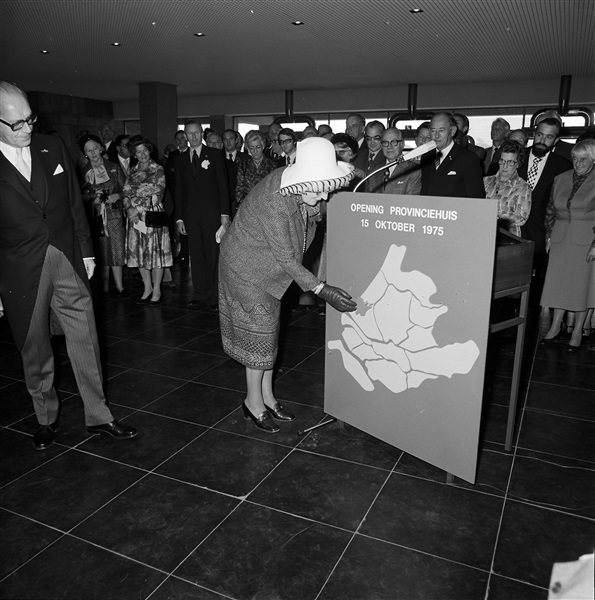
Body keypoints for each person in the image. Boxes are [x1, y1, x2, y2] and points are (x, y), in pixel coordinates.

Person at [0, 81, 137, 449]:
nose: (28, 128)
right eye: (17, 124)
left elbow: (76, 203)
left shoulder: (53, 145)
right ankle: (46, 418)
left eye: (30, 119)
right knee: (35, 348)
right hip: (19, 268)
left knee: (86, 339)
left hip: (67, 257)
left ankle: (99, 415)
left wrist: (87, 252)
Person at [218, 137, 357, 433]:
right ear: (302, 179)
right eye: (317, 189)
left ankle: (268, 396)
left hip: (268, 266)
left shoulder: (301, 188)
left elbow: (305, 230)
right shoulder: (275, 202)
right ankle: (252, 402)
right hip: (246, 267)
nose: (322, 196)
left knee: (270, 334)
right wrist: (321, 289)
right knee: (259, 336)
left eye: (326, 188)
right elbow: (286, 257)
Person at [539, 139, 595, 351]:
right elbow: (551, 211)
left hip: (586, 239)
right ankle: (554, 328)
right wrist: (549, 237)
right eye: (574, 158)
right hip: (561, 238)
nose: (578, 163)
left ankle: (578, 331)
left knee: (581, 288)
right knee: (558, 286)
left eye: (583, 159)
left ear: (593, 159)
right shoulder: (560, 178)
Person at [174, 120, 230, 309]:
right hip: (191, 216)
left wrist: (225, 215)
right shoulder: (181, 159)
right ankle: (199, 294)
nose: (194, 136)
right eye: (190, 134)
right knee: (195, 255)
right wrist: (179, 217)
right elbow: (179, 190)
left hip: (212, 214)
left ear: (202, 133)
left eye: (197, 133)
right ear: (185, 136)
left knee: (213, 255)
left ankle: (214, 297)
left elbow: (223, 186)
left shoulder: (214, 155)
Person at [518, 117, 572, 299]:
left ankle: (530, 327)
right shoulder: (516, 157)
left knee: (533, 291)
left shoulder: (563, 166)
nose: (542, 140)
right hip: (509, 232)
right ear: (534, 134)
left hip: (539, 236)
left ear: (556, 141)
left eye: (549, 137)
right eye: (540, 135)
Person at [122, 137, 173, 305]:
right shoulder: (132, 170)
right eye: (138, 151)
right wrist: (130, 209)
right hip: (135, 219)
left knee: (155, 253)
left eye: (145, 150)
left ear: (149, 150)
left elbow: (158, 194)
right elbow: (126, 192)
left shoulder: (157, 169)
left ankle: (157, 288)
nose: (142, 154)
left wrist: (138, 208)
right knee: (139, 253)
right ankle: (147, 287)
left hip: (151, 217)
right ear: (134, 154)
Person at [79, 133, 128, 298]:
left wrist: (118, 195)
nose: (93, 153)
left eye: (95, 149)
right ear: (85, 153)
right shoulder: (83, 172)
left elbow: (126, 189)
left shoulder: (113, 166)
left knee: (117, 249)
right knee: (101, 251)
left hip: (114, 214)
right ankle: (104, 287)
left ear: (100, 148)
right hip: (96, 217)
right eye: (88, 150)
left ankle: (120, 287)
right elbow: (80, 196)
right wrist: (94, 196)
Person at [421, 112, 485, 198]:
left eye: (441, 130)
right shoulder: (426, 157)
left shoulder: (468, 159)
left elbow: (476, 198)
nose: (436, 135)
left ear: (453, 131)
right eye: (433, 131)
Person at [483, 140, 531, 237]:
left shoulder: (523, 187)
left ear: (518, 164)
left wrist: (492, 212)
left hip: (508, 238)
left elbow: (521, 219)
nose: (505, 166)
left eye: (510, 162)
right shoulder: (486, 181)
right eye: (502, 161)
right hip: (484, 232)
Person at [368, 127, 421, 195]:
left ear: (402, 144)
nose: (389, 146)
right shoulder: (375, 170)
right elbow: (368, 199)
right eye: (385, 143)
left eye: (394, 142)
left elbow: (411, 202)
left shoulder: (414, 170)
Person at [234, 129, 277, 212]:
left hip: (267, 209)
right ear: (248, 149)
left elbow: (274, 190)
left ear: (263, 146)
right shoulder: (243, 165)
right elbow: (239, 190)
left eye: (258, 147)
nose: (255, 151)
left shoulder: (272, 165)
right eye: (252, 148)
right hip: (247, 209)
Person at [354, 120, 386, 191]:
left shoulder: (388, 156)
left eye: (376, 138)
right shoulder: (357, 156)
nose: (372, 142)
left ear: (384, 136)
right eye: (368, 138)